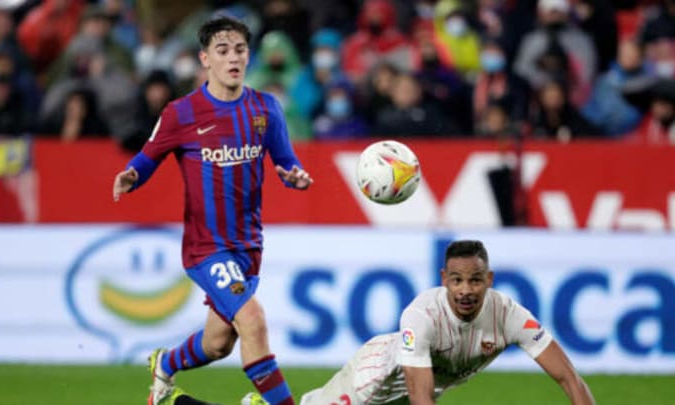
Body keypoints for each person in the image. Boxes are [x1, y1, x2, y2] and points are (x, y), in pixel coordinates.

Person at [111, 16, 313, 405]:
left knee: (218, 343)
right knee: (252, 321)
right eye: (223, 51)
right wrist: (132, 175)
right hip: (207, 248)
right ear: (205, 58)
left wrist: (295, 176)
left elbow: (286, 162)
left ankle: (165, 364)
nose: (233, 58)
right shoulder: (181, 113)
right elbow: (150, 154)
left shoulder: (266, 108)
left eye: (239, 50)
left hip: (248, 246)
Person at [242, 240, 595, 405]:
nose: (466, 290)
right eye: (457, 280)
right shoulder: (421, 316)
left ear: (489, 279)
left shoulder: (510, 316)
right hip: (376, 380)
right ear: (444, 279)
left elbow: (569, 378)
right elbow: (420, 393)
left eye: (475, 280)